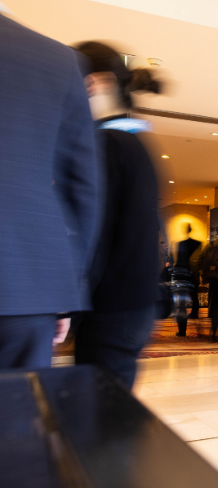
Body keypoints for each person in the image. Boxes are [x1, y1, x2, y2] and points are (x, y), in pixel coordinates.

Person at [0, 14, 100, 368]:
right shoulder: (56, 59)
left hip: (28, 291)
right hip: (25, 288)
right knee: (18, 416)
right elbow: (84, 192)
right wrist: (61, 290)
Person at [73, 41, 163, 388]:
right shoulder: (135, 140)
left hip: (110, 306)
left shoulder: (106, 144)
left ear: (96, 83)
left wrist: (72, 305)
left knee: (101, 420)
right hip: (134, 304)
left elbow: (95, 231)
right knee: (110, 413)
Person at [174, 223, 202, 336]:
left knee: (181, 304)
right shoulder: (198, 244)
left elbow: (178, 262)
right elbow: (199, 261)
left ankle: (182, 331)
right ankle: (195, 313)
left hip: (181, 276)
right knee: (195, 298)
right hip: (192, 276)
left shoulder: (180, 244)